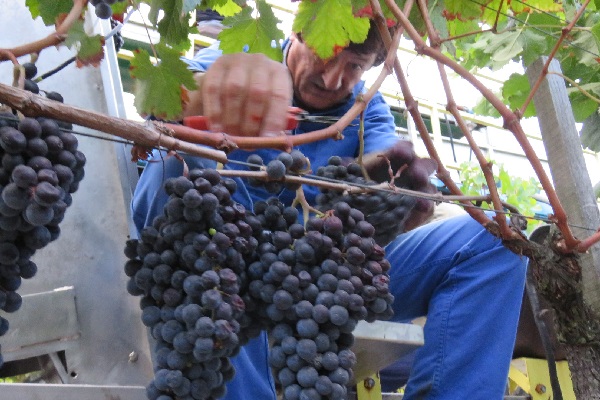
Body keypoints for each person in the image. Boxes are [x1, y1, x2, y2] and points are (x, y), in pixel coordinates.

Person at [131, 20, 527, 400]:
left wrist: (392, 190)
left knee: (495, 239)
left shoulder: (365, 111)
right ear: (298, 32)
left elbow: (381, 164)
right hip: (233, 271)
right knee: (175, 171)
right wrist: (207, 96)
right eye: (327, 53)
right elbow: (164, 106)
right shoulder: (239, 60)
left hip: (322, 275)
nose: (334, 79)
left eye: (355, 65)